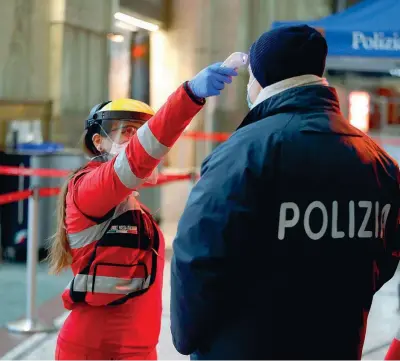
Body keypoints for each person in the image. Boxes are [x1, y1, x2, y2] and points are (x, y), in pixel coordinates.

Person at [170, 25, 400, 360]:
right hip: (337, 342)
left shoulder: (244, 153)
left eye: (250, 76)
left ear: (263, 79)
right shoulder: (378, 162)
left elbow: (197, 257)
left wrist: (187, 337)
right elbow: (385, 255)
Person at [47, 62, 238, 360]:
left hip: (136, 349)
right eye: (127, 131)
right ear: (98, 141)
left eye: (141, 131)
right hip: (94, 351)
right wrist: (189, 95)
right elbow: (140, 156)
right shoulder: (88, 190)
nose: (137, 140)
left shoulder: (133, 207)